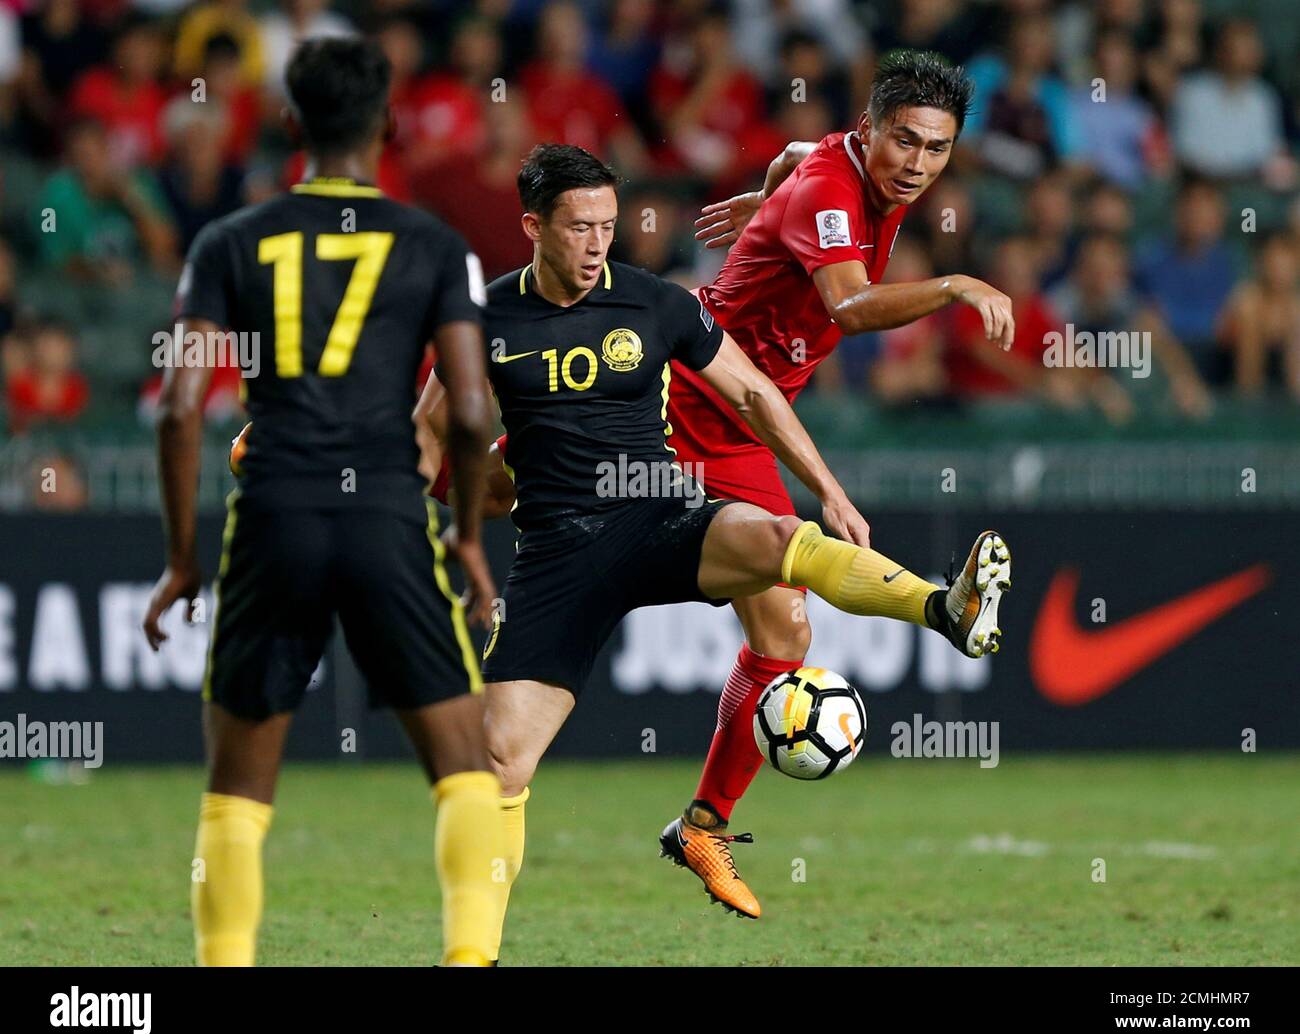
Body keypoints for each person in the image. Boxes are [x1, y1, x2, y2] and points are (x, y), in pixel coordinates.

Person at [416, 143, 1011, 958]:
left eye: (607, 226)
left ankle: (943, 607)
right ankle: (470, 955)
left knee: (779, 542)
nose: (596, 244)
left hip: (659, 519)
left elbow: (755, 394)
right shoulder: (483, 320)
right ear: (533, 227)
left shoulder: (656, 302)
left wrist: (829, 488)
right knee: (498, 765)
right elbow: (426, 442)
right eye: (579, 227)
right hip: (558, 552)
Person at [141, 37, 503, 968]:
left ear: (289, 122)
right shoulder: (436, 247)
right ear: (388, 124)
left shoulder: (228, 241)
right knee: (464, 768)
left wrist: (182, 560)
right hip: (387, 514)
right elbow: (469, 412)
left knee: (237, 789)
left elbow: (178, 410)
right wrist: (466, 535)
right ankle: (469, 959)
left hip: (273, 514)